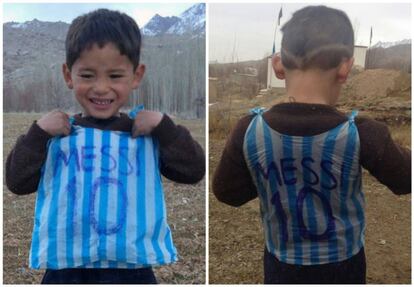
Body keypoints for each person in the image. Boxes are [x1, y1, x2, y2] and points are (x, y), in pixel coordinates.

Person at [212, 5, 410, 284]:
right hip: (344, 269)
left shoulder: (249, 131)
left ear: (278, 65)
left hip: (281, 268)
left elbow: (227, 193)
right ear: (345, 68)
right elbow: (405, 178)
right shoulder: (363, 134)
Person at [6, 8, 205, 284]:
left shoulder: (147, 133)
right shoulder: (55, 133)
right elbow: (17, 182)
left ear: (136, 76)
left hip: (133, 270)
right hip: (66, 271)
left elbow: (194, 171)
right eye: (87, 75)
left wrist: (166, 129)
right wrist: (37, 134)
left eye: (114, 76)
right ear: (68, 75)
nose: (101, 87)